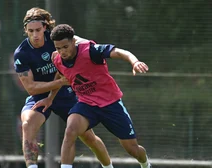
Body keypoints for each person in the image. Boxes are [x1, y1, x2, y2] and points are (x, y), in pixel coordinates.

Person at [32, 24, 152, 168]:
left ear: (73, 41)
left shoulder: (90, 51)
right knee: (70, 130)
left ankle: (145, 164)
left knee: (133, 150)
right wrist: (50, 98)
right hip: (86, 104)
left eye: (65, 47)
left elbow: (120, 52)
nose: (62, 52)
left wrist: (135, 61)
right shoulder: (57, 60)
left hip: (110, 104)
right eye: (58, 48)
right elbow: (61, 75)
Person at [14, 7, 114, 168]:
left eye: (38, 30)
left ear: (45, 27)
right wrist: (59, 82)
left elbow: (82, 43)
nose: (35, 35)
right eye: (30, 31)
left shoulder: (56, 39)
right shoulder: (21, 53)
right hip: (41, 96)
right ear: (25, 30)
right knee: (27, 124)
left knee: (88, 137)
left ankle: (108, 166)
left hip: (66, 94)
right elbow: (31, 88)